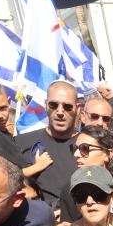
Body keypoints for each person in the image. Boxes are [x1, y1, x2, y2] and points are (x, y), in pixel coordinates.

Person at [15, 80, 82, 210]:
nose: (60, 112)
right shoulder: (21, 142)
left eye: (67, 107)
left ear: (78, 109)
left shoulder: (88, 145)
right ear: (46, 105)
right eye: (53, 105)